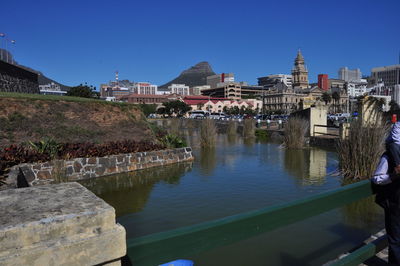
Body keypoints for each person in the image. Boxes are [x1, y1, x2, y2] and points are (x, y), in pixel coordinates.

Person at [372, 122, 400, 264]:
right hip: (395, 203)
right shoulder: (389, 156)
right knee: (395, 239)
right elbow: (377, 179)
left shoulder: (390, 154)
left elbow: (377, 179)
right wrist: (394, 176)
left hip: (396, 203)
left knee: (395, 240)